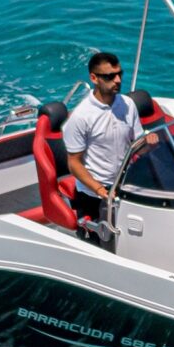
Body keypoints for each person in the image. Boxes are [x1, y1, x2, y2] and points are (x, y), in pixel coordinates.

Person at [60, 50, 161, 221]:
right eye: (110, 76)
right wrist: (99, 190)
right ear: (94, 78)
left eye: (119, 74)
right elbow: (74, 163)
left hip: (125, 183)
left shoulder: (128, 104)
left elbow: (137, 146)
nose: (118, 80)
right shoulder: (81, 117)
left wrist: (149, 143)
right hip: (94, 194)